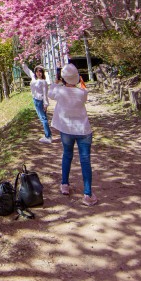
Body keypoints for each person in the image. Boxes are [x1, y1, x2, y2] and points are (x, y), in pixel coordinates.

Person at [49, 63, 97, 206]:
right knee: (85, 161)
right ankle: (87, 194)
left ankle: (64, 184)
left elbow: (50, 91)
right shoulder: (82, 93)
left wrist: (56, 81)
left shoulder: (59, 91)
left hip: (67, 130)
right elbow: (82, 91)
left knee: (67, 155)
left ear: (62, 78)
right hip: (83, 130)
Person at [22, 62, 53, 143]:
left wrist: (45, 104)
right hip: (35, 100)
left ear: (42, 73)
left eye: (40, 71)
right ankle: (48, 134)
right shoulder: (34, 78)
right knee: (43, 118)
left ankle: (48, 137)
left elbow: (45, 94)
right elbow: (28, 71)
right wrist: (23, 63)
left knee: (43, 119)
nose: (39, 73)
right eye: (37, 71)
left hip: (40, 101)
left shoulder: (43, 82)